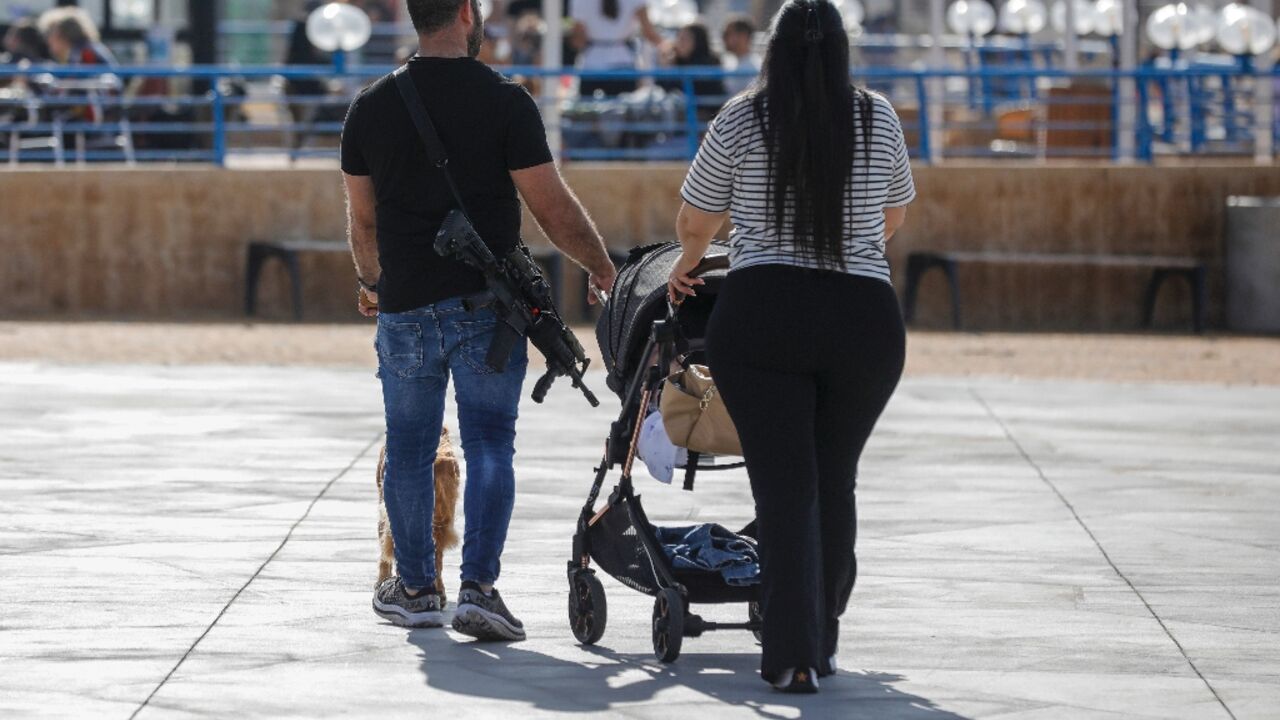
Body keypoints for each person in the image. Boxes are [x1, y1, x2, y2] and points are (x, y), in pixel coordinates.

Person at [341, 0, 616, 638]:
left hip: (405, 308)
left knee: (409, 447)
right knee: (491, 443)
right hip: (489, 312)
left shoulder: (370, 106)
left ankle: (415, 590)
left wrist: (372, 283)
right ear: (467, 13)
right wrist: (603, 267)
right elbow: (551, 207)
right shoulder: (506, 101)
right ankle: (479, 592)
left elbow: (363, 219)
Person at [667, 0, 915, 693]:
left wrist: (688, 261)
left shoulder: (743, 117)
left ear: (771, 50)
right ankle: (822, 635)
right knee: (835, 479)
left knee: (784, 486)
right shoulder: (878, 118)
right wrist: (852, 250)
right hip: (863, 319)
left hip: (764, 313)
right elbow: (894, 214)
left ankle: (792, 654)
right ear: (842, 50)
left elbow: (696, 216)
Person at [569, 0, 666, 98]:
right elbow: (649, 33)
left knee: (588, 106)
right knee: (623, 106)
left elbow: (578, 41)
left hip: (591, 65)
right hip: (623, 65)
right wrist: (666, 45)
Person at [658, 21, 725, 118]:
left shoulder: (709, 62)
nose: (679, 43)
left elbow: (696, 87)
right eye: (679, 38)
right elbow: (664, 88)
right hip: (684, 111)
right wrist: (666, 66)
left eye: (684, 39)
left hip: (706, 114)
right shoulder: (678, 62)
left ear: (698, 41)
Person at [38, 8, 114, 66]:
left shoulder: (84, 52)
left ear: (60, 34)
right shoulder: (85, 48)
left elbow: (83, 79)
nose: (48, 40)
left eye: (50, 33)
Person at [720, 15, 758, 97]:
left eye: (727, 34)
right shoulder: (727, 61)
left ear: (743, 36)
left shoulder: (755, 67)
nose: (723, 38)